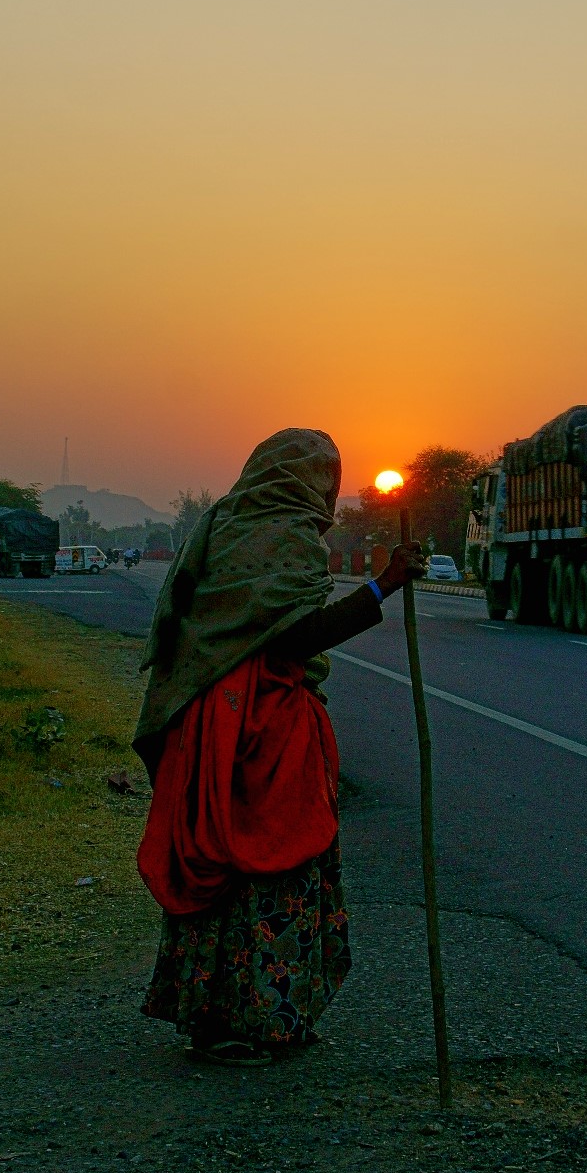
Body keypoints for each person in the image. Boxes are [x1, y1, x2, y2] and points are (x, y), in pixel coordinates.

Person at [133, 428, 422, 1067]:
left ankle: (212, 1018)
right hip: (262, 727)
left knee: (219, 861)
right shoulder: (289, 537)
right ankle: (266, 1016)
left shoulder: (221, 524)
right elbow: (294, 639)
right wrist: (382, 586)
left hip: (208, 721)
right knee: (275, 861)